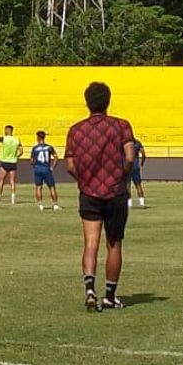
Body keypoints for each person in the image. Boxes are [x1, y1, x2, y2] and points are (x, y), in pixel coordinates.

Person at [65, 82, 134, 312]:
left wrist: (84, 181)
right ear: (108, 101)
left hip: (89, 192)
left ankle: (90, 290)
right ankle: (110, 296)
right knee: (114, 244)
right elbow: (130, 157)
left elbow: (71, 164)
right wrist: (121, 175)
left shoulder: (75, 130)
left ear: (87, 102)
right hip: (115, 192)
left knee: (90, 242)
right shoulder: (121, 126)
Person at [30, 130, 61, 212]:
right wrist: (52, 167)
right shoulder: (49, 147)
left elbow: (32, 160)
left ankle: (40, 205)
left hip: (38, 168)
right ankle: (55, 205)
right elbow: (56, 157)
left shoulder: (35, 148)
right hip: (46, 168)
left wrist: (35, 166)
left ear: (37, 137)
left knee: (38, 187)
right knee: (51, 187)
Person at [0, 125, 23, 206]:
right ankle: (13, 200)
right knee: (12, 181)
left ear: (7, 130)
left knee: (1, 181)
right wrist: (16, 156)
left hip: (4, 161)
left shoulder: (4, 138)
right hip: (13, 162)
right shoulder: (17, 139)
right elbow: (21, 151)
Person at [127, 133, 147, 209]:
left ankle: (129, 204)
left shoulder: (127, 143)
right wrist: (142, 163)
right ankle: (142, 203)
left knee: (127, 185)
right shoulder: (137, 143)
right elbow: (143, 153)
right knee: (138, 185)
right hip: (135, 166)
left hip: (128, 166)